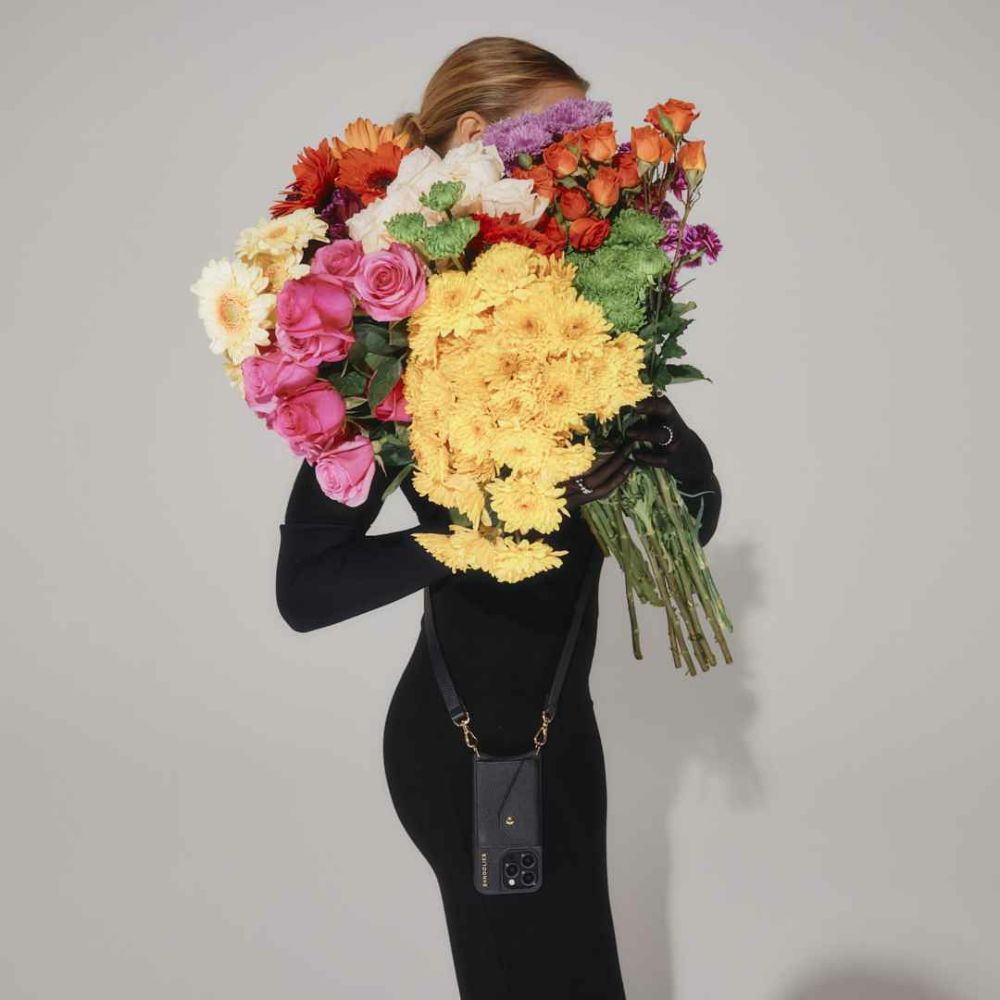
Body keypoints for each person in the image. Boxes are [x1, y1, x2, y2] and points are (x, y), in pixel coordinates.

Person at [275, 36, 722, 1000]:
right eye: (562, 132)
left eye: (589, 136)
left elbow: (692, 523)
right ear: (478, 134)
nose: (585, 155)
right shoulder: (396, 348)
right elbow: (306, 590)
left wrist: (661, 444)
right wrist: (468, 542)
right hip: (462, 743)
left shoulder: (580, 319)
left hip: (566, 734)